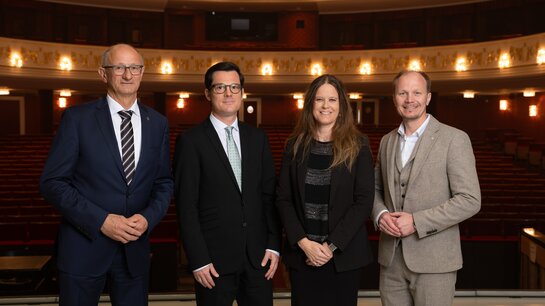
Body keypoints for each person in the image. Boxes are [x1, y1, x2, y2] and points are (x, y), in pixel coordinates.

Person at [40, 44, 173, 306]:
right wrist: (101, 220)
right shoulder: (77, 119)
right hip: (84, 248)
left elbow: (163, 182)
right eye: (119, 68)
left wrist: (147, 219)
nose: (128, 75)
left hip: (134, 251)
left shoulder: (158, 123)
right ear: (103, 74)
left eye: (134, 68)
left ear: (142, 72)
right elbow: (52, 183)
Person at [173, 61, 280, 306]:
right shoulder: (191, 142)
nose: (229, 93)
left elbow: (268, 197)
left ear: (242, 92)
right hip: (213, 262)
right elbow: (186, 206)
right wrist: (198, 259)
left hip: (258, 259)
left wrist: (273, 246)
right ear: (208, 93)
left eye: (234, 87)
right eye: (220, 87)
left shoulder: (257, 139)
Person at [372, 70, 481, 306]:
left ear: (428, 97)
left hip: (435, 261)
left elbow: (470, 199)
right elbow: (374, 189)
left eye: (416, 93)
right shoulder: (386, 141)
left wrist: (416, 221)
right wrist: (380, 215)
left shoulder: (455, 138)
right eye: (403, 93)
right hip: (391, 261)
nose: (409, 99)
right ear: (394, 98)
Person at [275, 74, 375, 306]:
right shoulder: (294, 145)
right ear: (310, 104)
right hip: (303, 256)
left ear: (341, 107)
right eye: (320, 99)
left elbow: (363, 201)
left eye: (332, 100)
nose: (325, 106)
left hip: (343, 256)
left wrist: (330, 247)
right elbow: (283, 199)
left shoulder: (358, 146)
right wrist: (303, 242)